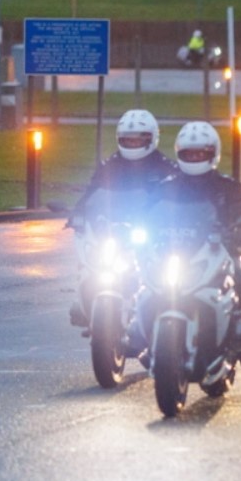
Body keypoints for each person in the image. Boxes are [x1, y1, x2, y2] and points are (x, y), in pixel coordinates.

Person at [143, 121, 241, 369]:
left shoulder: (228, 187)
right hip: (175, 250)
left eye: (200, 154)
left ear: (213, 154)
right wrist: (136, 229)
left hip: (217, 249)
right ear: (180, 153)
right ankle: (142, 334)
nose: (195, 158)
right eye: (189, 154)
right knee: (143, 283)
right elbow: (147, 213)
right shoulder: (167, 186)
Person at [68, 109, 177, 329]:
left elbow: (177, 200)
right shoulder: (110, 165)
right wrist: (78, 213)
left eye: (138, 140)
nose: (133, 144)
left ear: (151, 139)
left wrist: (169, 218)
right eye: (128, 139)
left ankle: (162, 309)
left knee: (166, 273)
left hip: (148, 231)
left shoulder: (165, 167)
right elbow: (93, 192)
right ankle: (86, 298)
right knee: (91, 260)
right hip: (114, 227)